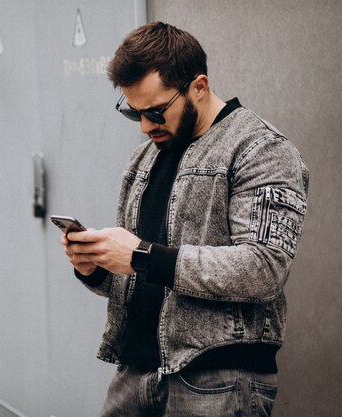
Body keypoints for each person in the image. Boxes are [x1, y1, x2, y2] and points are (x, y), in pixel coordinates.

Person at [60, 21, 309, 417]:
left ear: (199, 86)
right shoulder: (144, 159)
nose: (144, 126)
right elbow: (143, 277)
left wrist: (141, 255)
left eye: (156, 111)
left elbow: (264, 269)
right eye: (133, 113)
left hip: (217, 379)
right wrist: (94, 267)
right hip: (135, 372)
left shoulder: (261, 150)